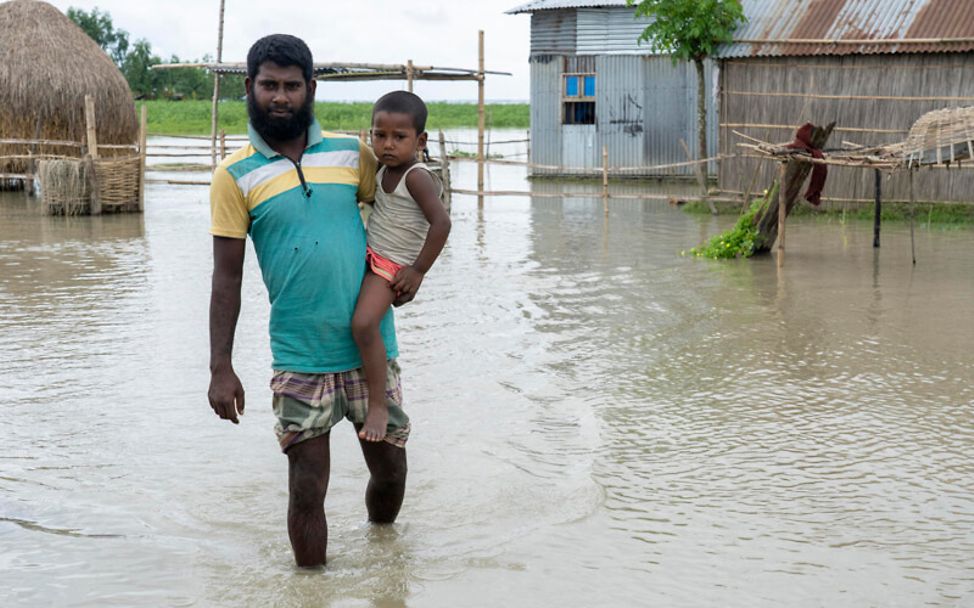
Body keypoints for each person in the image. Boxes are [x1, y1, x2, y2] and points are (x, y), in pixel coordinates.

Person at [207, 34, 409, 568]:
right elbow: (226, 278)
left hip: (371, 348)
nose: (280, 97)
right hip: (300, 356)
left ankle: (384, 562)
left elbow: (399, 214)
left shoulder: (353, 154)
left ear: (310, 89)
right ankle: (311, 590)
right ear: (249, 88)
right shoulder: (234, 176)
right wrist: (220, 366)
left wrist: (411, 275)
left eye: (291, 86)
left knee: (391, 473)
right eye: (269, 85)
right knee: (306, 489)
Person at [353, 91, 451, 443]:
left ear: (420, 141)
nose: (387, 145)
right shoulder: (383, 171)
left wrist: (418, 271)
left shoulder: (416, 177)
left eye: (399, 137)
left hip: (390, 266)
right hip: (370, 256)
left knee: (364, 324)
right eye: (380, 136)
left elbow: (442, 224)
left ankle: (378, 405)